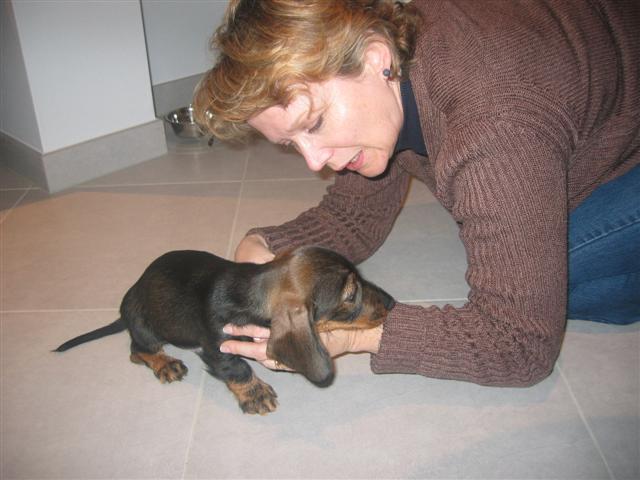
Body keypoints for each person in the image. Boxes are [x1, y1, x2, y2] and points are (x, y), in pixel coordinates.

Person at [193, 0, 640, 387]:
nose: (314, 161)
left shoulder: (494, 123)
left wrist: (360, 335)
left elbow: (519, 344)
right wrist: (266, 246)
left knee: (560, 277)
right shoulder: (390, 69)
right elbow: (354, 217)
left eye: (313, 123)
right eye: (292, 144)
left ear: (374, 58)